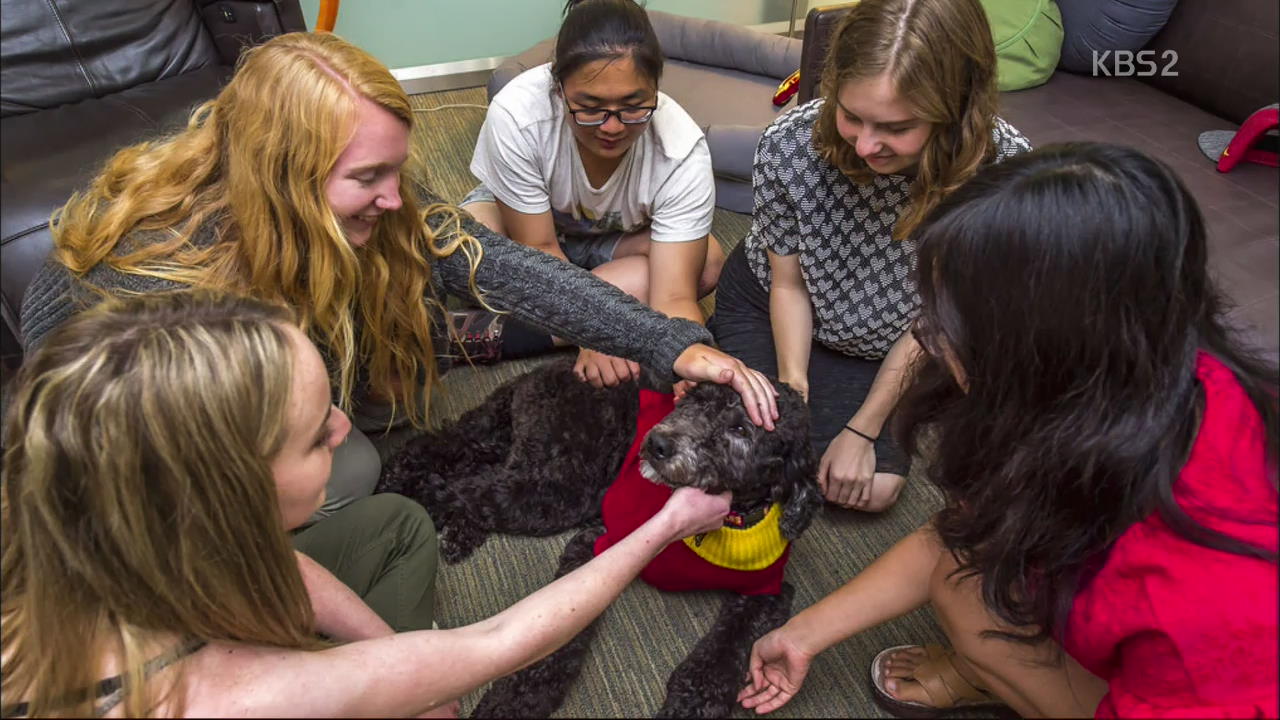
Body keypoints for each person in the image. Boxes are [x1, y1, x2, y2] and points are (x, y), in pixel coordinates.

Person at [19, 31, 777, 524]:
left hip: (311, 375)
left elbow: (510, 267)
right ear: (283, 176)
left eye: (397, 170)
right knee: (349, 472)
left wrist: (671, 344)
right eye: (369, 177)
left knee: (392, 388)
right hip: (182, 458)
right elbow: (71, 457)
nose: (395, 197)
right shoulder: (136, 276)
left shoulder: (370, 214)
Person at [0, 290, 734, 718]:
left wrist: (394, 658)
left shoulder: (98, 498)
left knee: (399, 521)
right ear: (229, 488)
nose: (348, 433)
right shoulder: (238, 701)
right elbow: (499, 644)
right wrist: (667, 524)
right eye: (319, 435)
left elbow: (280, 562)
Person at [736, 143, 1279, 718]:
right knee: (964, 574)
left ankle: (995, 673)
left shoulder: (1205, 594)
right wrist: (803, 634)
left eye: (951, 319)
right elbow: (969, 530)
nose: (925, 337)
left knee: (966, 592)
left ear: (1043, 347)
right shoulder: (1147, 375)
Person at [708, 0, 1031, 513]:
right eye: (852, 117)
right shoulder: (789, 145)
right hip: (779, 304)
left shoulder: (1003, 173)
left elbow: (937, 320)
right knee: (756, 455)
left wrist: (864, 427)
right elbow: (788, 285)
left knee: (872, 489)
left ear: (953, 109)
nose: (865, 146)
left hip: (900, 340)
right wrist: (793, 392)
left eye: (896, 128)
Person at [461, 0, 725, 387]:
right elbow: (538, 248)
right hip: (532, 234)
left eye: (634, 107)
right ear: (558, 88)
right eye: (590, 108)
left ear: (656, 88)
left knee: (707, 263)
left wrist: (690, 362)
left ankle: (509, 334)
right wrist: (596, 329)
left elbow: (673, 297)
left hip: (614, 243)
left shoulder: (681, 149)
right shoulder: (518, 114)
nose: (613, 127)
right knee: (463, 249)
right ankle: (599, 316)